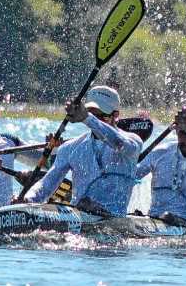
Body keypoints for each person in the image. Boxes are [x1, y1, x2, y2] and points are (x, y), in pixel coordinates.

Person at [25, 85, 142, 216]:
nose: (94, 119)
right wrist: (28, 199)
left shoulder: (133, 142)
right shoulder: (70, 148)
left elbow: (120, 143)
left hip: (114, 221)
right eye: (91, 114)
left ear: (116, 115)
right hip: (79, 217)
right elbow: (46, 185)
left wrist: (87, 118)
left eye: (100, 116)